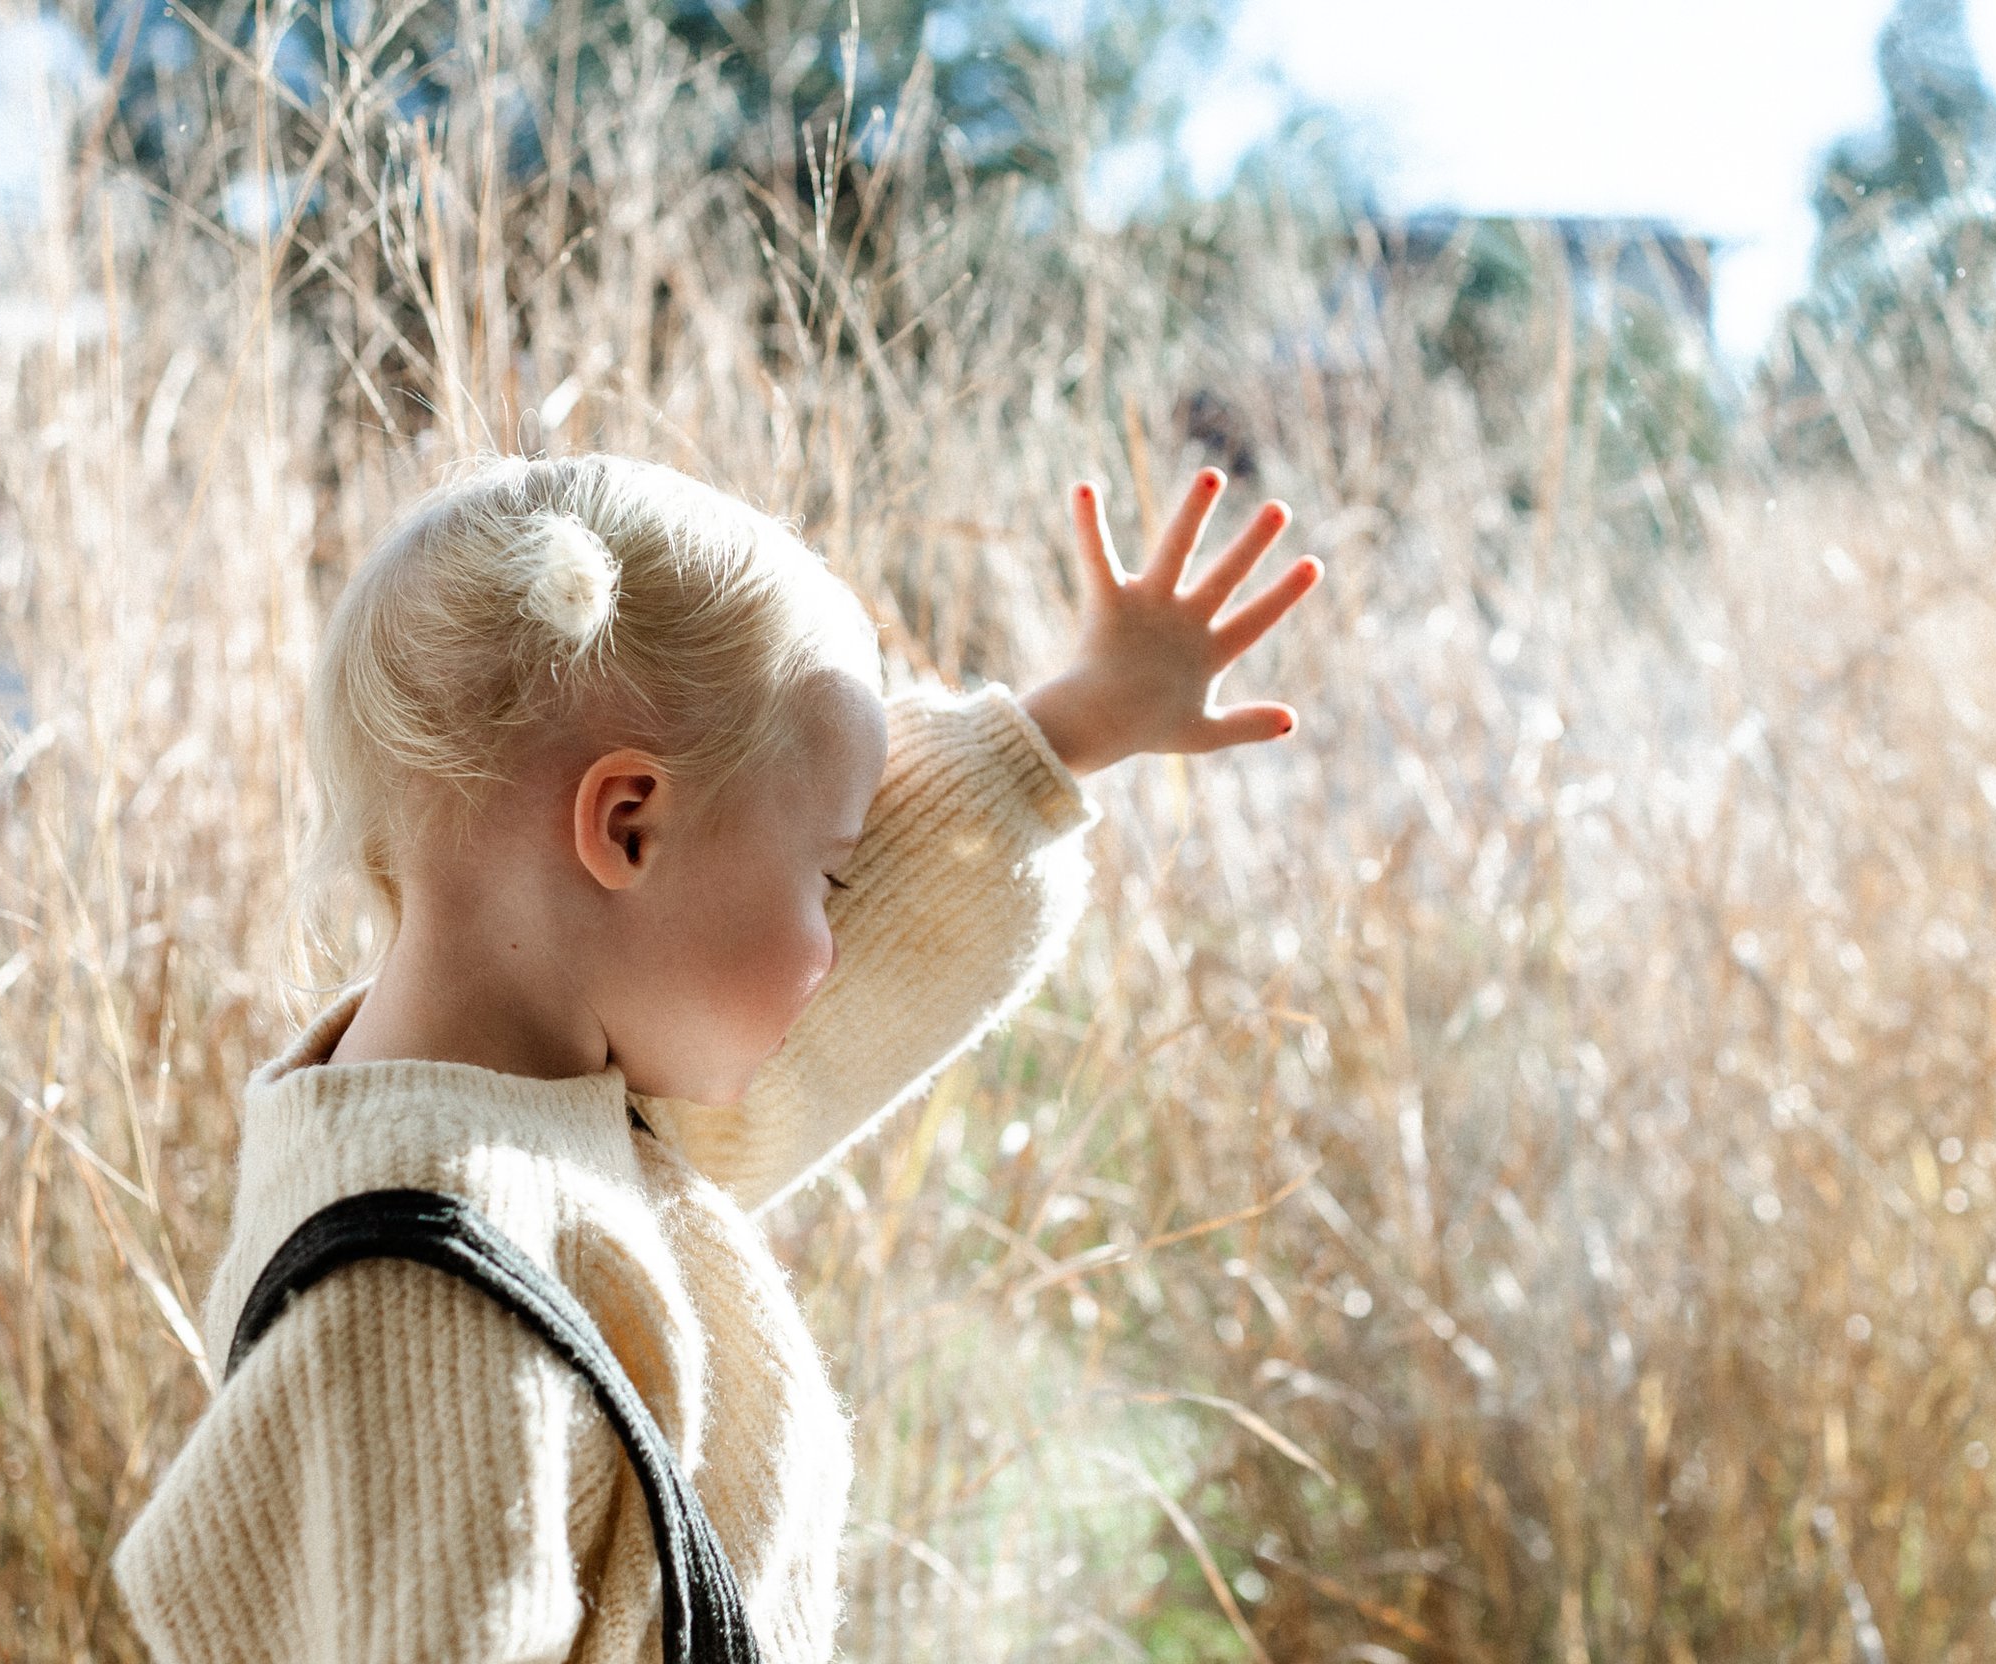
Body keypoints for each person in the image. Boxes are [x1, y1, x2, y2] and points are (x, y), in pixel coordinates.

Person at [110, 451, 1322, 1662]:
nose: (833, 947)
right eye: (827, 876)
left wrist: (1075, 721)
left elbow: (854, 957)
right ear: (626, 824)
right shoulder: (422, 1296)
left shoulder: (547, 1108)